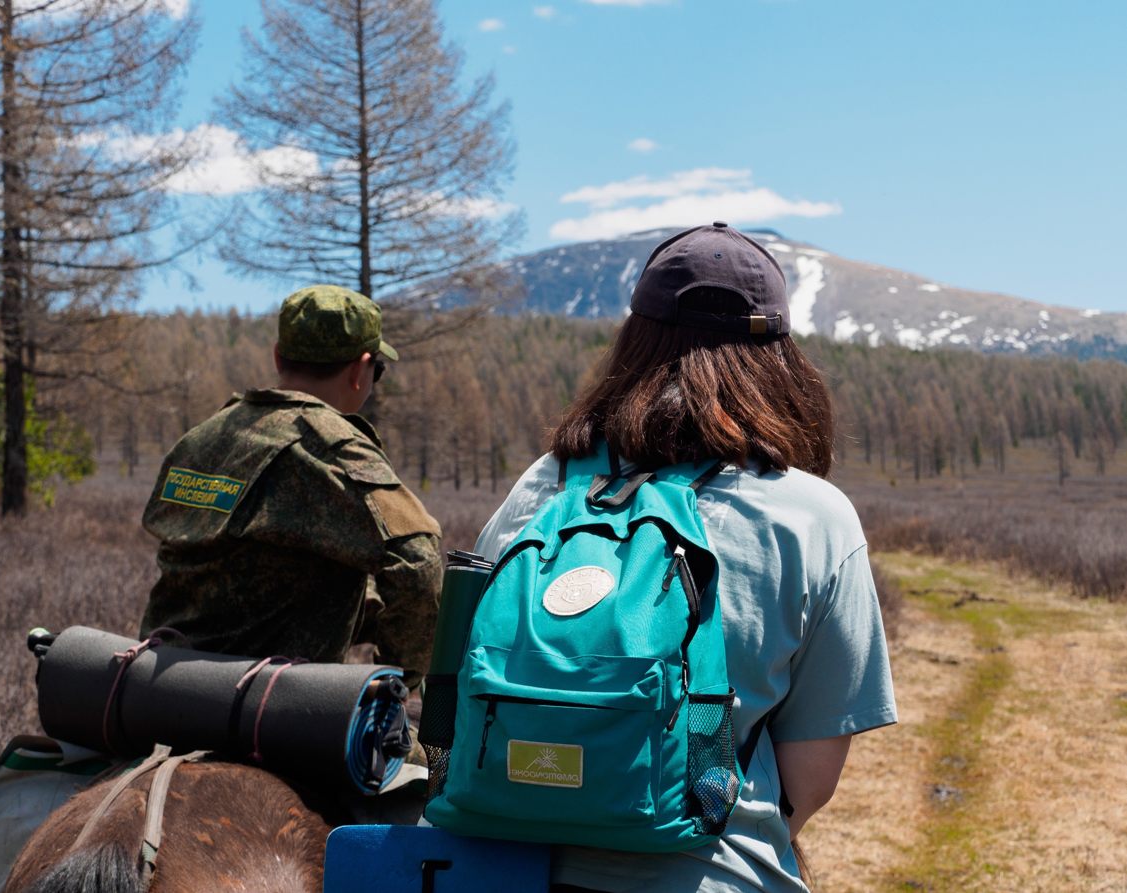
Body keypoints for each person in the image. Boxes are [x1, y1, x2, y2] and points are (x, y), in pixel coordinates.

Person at [472, 223, 898, 892]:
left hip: (501, 866)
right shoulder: (812, 515)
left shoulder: (546, 483)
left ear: (633, 343)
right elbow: (808, 783)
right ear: (779, 359)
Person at [140, 285, 443, 687]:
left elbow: (249, 575)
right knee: (436, 749)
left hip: (155, 689)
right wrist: (398, 683)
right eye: (378, 371)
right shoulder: (332, 446)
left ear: (278, 357)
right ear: (360, 369)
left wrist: (361, 611)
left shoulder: (202, 438)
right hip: (266, 708)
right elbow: (419, 567)